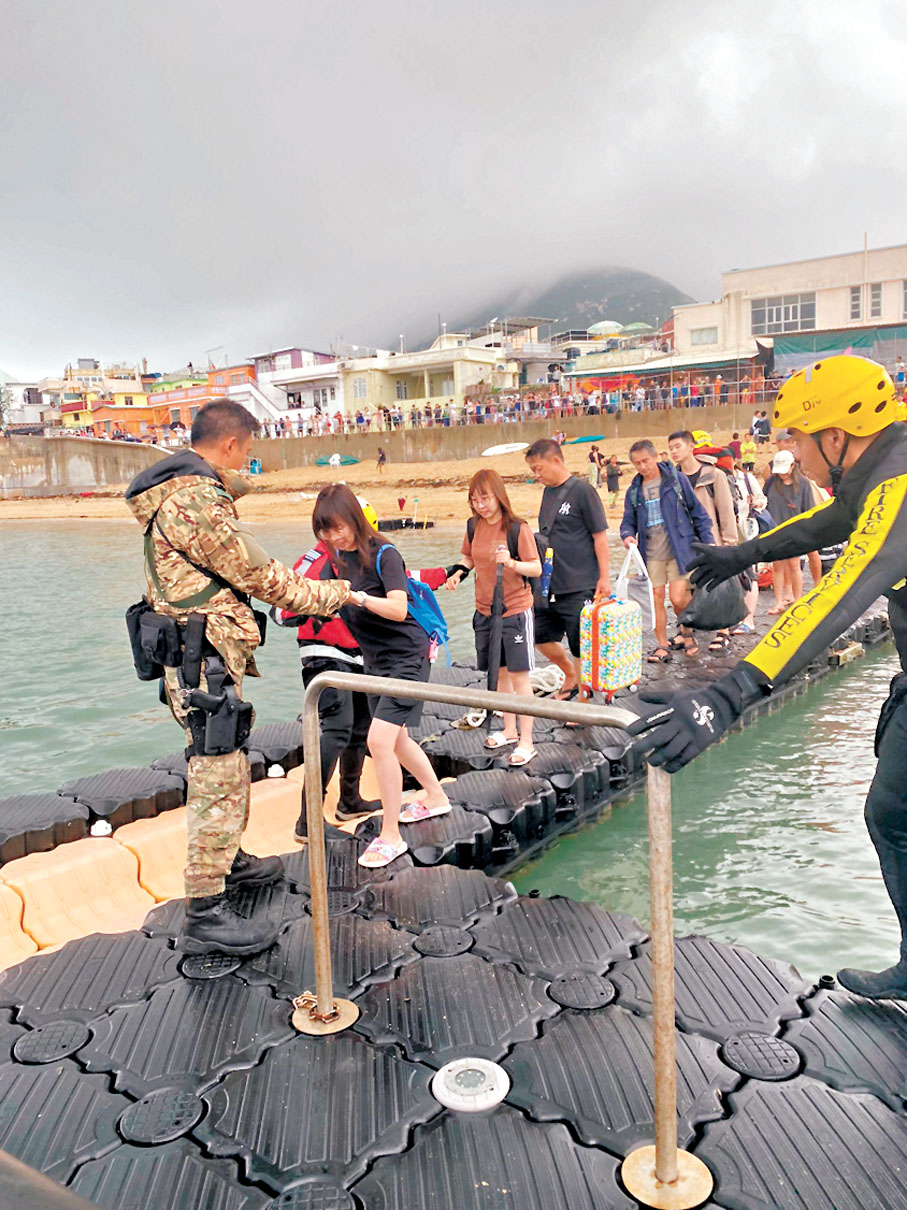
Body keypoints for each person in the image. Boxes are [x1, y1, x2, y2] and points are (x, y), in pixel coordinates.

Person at [632, 354, 907, 1000]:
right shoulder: (882, 468)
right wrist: (741, 553)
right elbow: (831, 523)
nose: (787, 449)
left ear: (834, 437)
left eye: (794, 435)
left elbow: (836, 595)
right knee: (890, 814)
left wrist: (726, 695)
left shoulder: (897, 489)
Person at [125, 399, 350, 956]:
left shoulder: (184, 495)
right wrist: (337, 596)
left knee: (226, 759)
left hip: (201, 652)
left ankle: (229, 861)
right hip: (202, 659)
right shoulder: (196, 500)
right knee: (217, 773)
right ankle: (205, 909)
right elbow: (260, 574)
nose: (247, 462)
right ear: (229, 445)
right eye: (246, 452)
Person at [312, 484, 450, 868]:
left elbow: (397, 608)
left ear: (354, 518)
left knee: (379, 741)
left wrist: (356, 597)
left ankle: (391, 835)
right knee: (399, 738)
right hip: (374, 659)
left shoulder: (385, 554)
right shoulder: (337, 559)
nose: (332, 537)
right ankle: (436, 796)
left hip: (406, 655)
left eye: (337, 527)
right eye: (325, 532)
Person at [281, 503, 382, 843]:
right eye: (330, 530)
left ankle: (349, 801)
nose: (339, 535)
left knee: (360, 729)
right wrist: (317, 608)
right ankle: (307, 820)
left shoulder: (362, 556)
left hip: (357, 655)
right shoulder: (317, 561)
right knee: (336, 730)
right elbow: (282, 610)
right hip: (323, 656)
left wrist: (448, 573)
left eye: (344, 528)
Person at [445, 470, 541, 765]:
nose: (480, 505)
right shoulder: (473, 526)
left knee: (519, 676)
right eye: (474, 500)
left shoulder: (517, 528)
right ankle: (509, 730)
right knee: (498, 673)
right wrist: (458, 573)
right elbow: (469, 557)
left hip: (514, 609)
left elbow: (536, 568)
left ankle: (527, 741)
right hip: (484, 610)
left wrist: (511, 563)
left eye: (485, 498)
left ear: (498, 496)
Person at [524, 439, 610, 700]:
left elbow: (600, 537)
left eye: (538, 469)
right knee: (539, 635)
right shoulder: (548, 493)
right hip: (550, 582)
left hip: (580, 581)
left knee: (579, 644)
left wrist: (604, 578)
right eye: (532, 470)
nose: (536, 475)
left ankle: (583, 699)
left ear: (556, 461)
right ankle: (570, 674)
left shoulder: (583, 491)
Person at [620, 439, 714, 663]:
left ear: (655, 457)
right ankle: (662, 645)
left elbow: (698, 512)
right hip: (650, 554)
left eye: (645, 460)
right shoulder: (634, 490)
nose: (642, 466)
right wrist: (627, 536)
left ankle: (687, 632)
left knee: (679, 598)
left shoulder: (675, 481)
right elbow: (627, 521)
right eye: (637, 463)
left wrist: (709, 541)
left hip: (679, 550)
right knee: (656, 599)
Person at [668, 430, 738, 655]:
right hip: (681, 544)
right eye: (671, 448)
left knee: (715, 587)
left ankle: (723, 630)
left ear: (691, 447)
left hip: (710, 540)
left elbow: (725, 510)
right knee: (681, 593)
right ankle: (686, 629)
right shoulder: (671, 478)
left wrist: (729, 542)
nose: (674, 451)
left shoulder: (713, 475)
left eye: (678, 446)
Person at [763, 449, 814, 614]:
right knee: (777, 566)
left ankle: (797, 601)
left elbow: (809, 510)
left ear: (793, 466)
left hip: (795, 531)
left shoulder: (804, 484)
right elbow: (764, 503)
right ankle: (779, 601)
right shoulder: (771, 482)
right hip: (775, 529)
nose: (782, 474)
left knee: (794, 565)